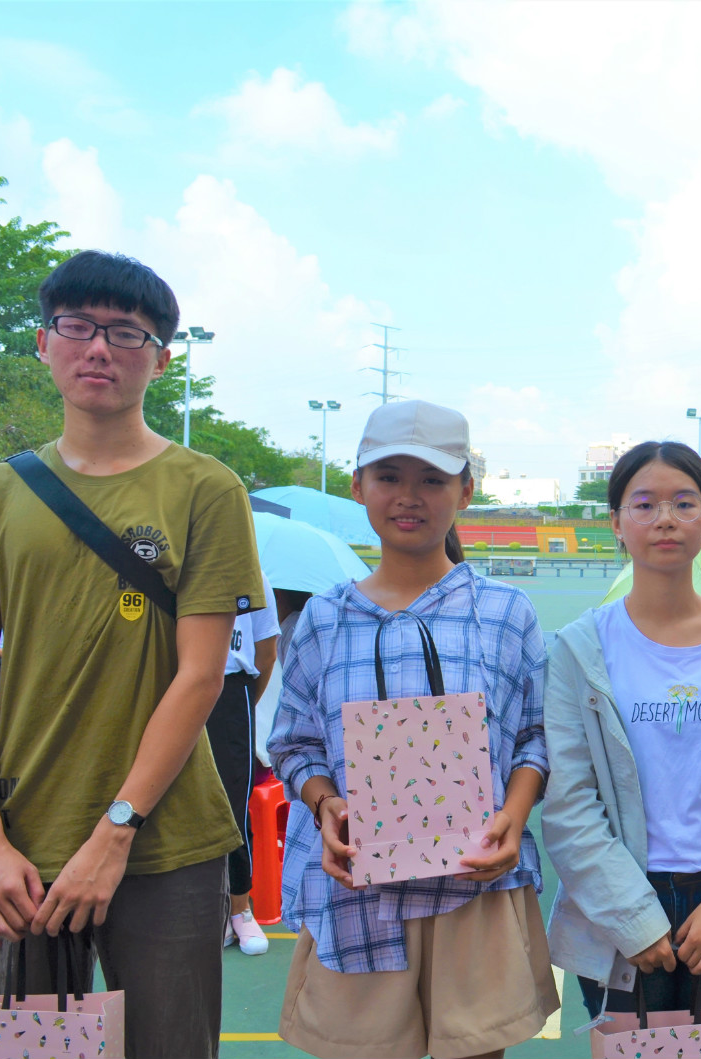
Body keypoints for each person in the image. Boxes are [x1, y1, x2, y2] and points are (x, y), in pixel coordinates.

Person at [0, 250, 264, 1058]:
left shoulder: (206, 488)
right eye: (77, 326)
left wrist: (115, 830)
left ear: (161, 359)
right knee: (32, 1048)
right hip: (22, 842)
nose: (98, 348)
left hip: (167, 841)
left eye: (126, 333)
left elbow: (201, 675)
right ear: (43, 342)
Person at [269, 400, 559, 1059]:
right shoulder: (324, 618)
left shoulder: (504, 611)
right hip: (356, 891)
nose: (409, 496)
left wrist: (513, 818)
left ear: (465, 491)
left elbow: (535, 737)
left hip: (475, 886)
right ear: (358, 486)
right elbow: (294, 742)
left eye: (432, 479)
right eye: (388, 476)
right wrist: (325, 803)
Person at [542, 441, 701, 1055]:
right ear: (616, 522)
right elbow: (569, 801)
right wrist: (636, 917)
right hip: (617, 902)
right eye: (644, 504)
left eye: (684, 503)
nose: (665, 520)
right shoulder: (579, 648)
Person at [211, 573, 280, 955]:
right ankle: (209, 908)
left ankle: (239, 908)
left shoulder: (252, 575)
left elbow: (265, 653)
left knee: (232, 805)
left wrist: (243, 706)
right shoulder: (172, 565)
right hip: (171, 687)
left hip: (230, 692)